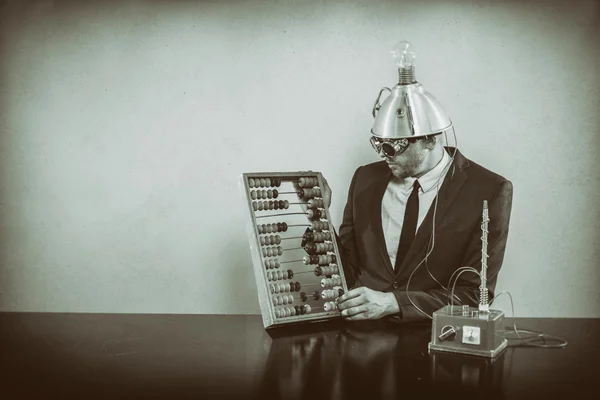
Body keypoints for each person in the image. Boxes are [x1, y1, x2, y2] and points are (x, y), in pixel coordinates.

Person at [320, 133, 513, 323]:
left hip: (435, 338)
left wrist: (395, 303)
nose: (384, 155)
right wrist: (320, 215)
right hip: (361, 337)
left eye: (394, 147)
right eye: (378, 144)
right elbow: (348, 272)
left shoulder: (489, 189)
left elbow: (474, 295)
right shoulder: (365, 177)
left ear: (430, 140)